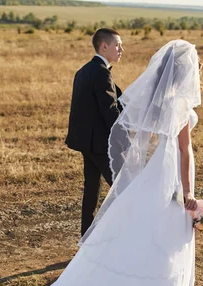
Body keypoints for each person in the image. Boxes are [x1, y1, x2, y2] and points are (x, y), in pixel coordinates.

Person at [0, 39, 201, 286]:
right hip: (168, 182)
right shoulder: (181, 105)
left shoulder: (158, 101)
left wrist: (136, 175)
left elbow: (135, 137)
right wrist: (189, 193)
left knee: (135, 246)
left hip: (151, 180)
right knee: (161, 253)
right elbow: (185, 152)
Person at [66, 28, 124, 237]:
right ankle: (115, 237)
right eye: (118, 45)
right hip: (100, 145)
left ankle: (86, 240)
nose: (121, 50)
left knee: (92, 191)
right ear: (104, 46)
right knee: (124, 189)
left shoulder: (84, 70)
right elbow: (110, 111)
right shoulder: (101, 73)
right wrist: (126, 139)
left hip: (86, 143)